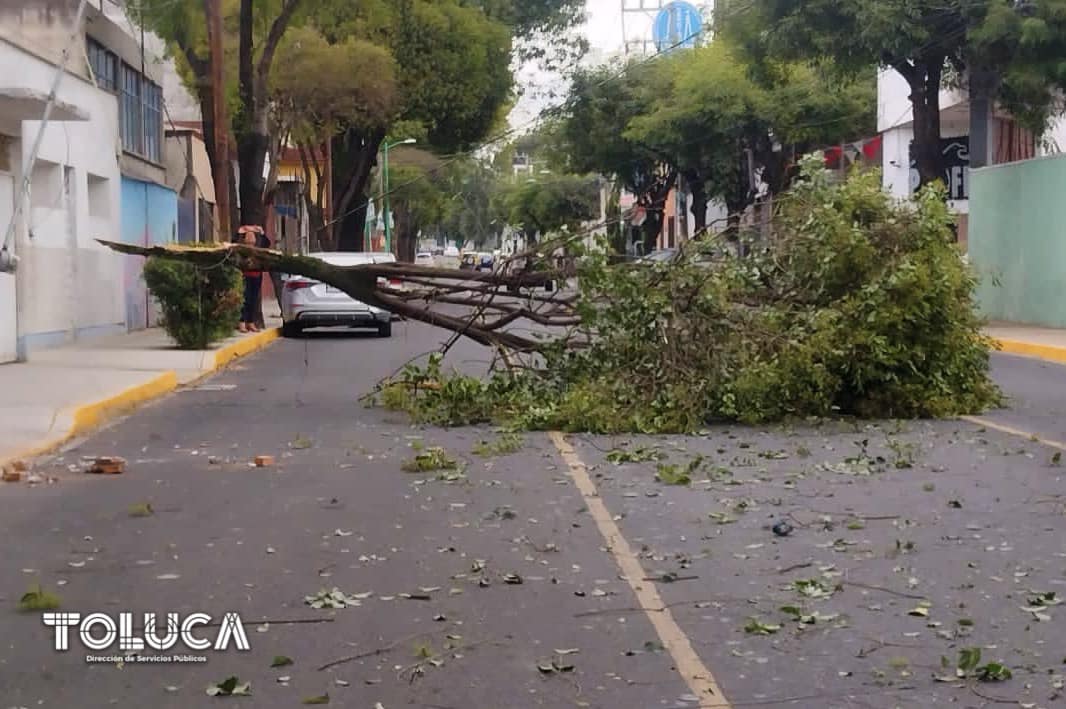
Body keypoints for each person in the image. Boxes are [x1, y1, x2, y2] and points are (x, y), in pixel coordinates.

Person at [235, 225, 265, 333]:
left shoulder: (258, 249)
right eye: (249, 236)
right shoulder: (241, 249)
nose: (251, 238)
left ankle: (250, 322)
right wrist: (240, 232)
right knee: (245, 299)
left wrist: (261, 233)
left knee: (253, 299)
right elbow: (234, 241)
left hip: (256, 276)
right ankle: (242, 322)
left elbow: (266, 243)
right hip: (246, 276)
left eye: (253, 236)